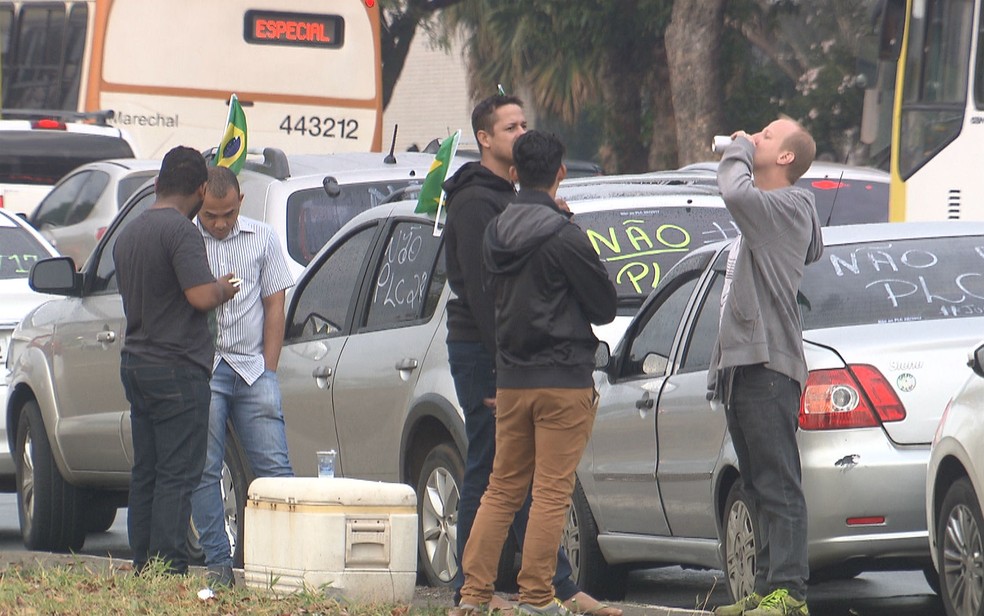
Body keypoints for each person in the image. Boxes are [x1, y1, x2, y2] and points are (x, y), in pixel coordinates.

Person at [444, 96, 619, 616]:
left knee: (501, 488)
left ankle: (473, 595)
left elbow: (488, 299)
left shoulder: (496, 230)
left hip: (513, 377)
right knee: (550, 492)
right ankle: (539, 596)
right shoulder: (563, 234)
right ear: (560, 173)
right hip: (562, 376)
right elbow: (604, 304)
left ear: (516, 171)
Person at [708, 118, 823, 616]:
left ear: (786, 159)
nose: (755, 135)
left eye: (767, 135)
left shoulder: (788, 206)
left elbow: (733, 191)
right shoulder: (771, 212)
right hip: (742, 364)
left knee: (778, 483)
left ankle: (790, 595)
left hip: (769, 366)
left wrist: (735, 147)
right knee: (754, 483)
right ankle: (763, 588)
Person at [114, 146, 240, 575]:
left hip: (136, 361)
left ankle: (142, 567)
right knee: (176, 474)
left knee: (146, 470)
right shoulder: (181, 232)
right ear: (203, 190)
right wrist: (225, 287)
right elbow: (199, 296)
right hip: (176, 368)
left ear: (157, 185)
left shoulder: (130, 232)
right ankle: (167, 572)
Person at [190, 165, 295, 587]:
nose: (219, 223)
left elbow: (274, 303)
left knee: (275, 468)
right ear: (199, 202)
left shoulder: (262, 238)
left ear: (241, 204)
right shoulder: (185, 240)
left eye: (228, 214)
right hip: (206, 368)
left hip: (253, 368)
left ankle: (287, 566)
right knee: (206, 469)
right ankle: (219, 566)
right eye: (211, 215)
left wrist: (269, 369)